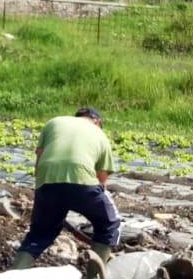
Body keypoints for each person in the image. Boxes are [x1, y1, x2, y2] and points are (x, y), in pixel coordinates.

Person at [11, 108, 119, 269]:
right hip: (83, 181)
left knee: (39, 234)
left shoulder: (53, 123)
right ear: (97, 122)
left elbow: (38, 165)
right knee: (110, 224)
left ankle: (13, 275)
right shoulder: (99, 134)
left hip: (47, 181)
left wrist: (53, 198)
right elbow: (101, 182)